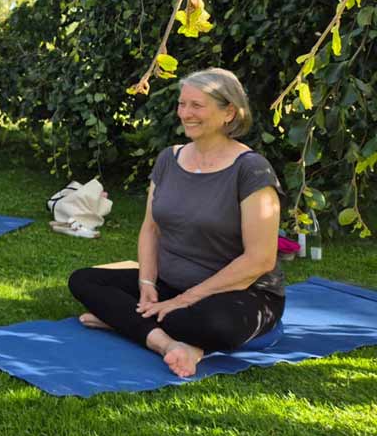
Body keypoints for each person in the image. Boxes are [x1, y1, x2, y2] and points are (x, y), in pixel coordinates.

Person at [68, 68, 284, 378]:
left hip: (239, 292)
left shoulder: (252, 170)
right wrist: (146, 283)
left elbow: (260, 260)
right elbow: (151, 228)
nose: (185, 113)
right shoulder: (168, 159)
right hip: (171, 285)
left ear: (229, 113)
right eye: (182, 104)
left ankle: (124, 320)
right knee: (84, 280)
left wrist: (184, 301)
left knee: (214, 326)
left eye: (197, 105)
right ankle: (166, 343)